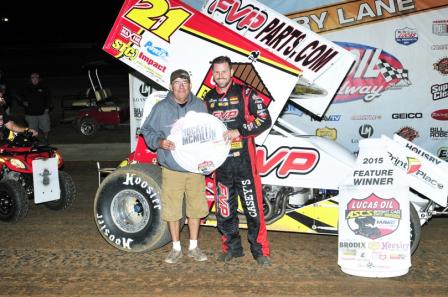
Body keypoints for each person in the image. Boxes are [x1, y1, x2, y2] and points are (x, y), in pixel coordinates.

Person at [205, 56, 272, 266]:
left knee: (253, 211)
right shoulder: (207, 98)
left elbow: (264, 119)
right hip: (221, 167)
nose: (221, 76)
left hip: (245, 165)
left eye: (224, 72)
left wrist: (239, 131)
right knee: (224, 212)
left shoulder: (246, 92)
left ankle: (260, 251)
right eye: (217, 72)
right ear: (213, 75)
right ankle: (232, 249)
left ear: (231, 72)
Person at [140, 69, 209, 264]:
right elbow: (146, 130)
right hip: (171, 168)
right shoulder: (161, 108)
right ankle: (176, 248)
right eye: (177, 82)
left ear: (190, 85)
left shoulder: (200, 106)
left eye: (184, 82)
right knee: (172, 209)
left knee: (195, 209)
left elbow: (209, 133)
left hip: (195, 168)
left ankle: (194, 246)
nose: (181, 86)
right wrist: (160, 142)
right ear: (171, 86)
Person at [21, 72, 52, 144]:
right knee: (32, 129)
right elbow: (18, 95)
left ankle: (46, 139)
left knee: (46, 128)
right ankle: (35, 141)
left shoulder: (44, 87)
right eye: (33, 77)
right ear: (30, 79)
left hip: (42, 112)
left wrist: (47, 108)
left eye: (36, 77)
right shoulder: (26, 87)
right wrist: (23, 101)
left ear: (39, 79)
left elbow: (49, 98)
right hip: (30, 113)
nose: (35, 79)